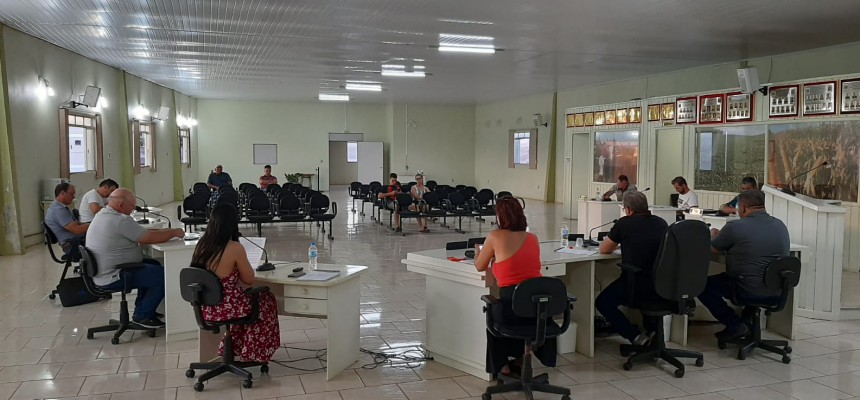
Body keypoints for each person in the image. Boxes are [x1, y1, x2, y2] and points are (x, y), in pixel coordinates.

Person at [474, 197, 557, 377]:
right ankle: (520, 358)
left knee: (495, 314)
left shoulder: (495, 236)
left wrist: (478, 254)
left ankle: (502, 365)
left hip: (512, 310)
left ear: (501, 217)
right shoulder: (532, 238)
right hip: (538, 310)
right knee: (520, 314)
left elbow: (480, 266)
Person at [191, 204, 280, 363]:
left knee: (245, 303)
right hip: (228, 309)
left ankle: (236, 348)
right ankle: (253, 351)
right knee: (265, 299)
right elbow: (249, 279)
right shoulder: (234, 247)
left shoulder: (201, 245)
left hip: (206, 308)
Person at [698, 190, 790, 341]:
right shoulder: (780, 225)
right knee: (752, 279)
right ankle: (746, 323)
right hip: (776, 290)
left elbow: (712, 250)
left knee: (701, 286)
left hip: (745, 287)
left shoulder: (735, 226)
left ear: (743, 208)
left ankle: (735, 324)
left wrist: (715, 236)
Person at [87, 188, 185, 328]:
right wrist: (174, 232)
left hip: (104, 272)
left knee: (154, 264)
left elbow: (140, 232)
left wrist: (165, 231)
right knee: (164, 276)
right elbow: (148, 238)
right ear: (121, 205)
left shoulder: (103, 214)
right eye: (132, 206)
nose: (133, 210)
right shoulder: (120, 220)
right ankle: (143, 316)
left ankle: (143, 309)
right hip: (115, 274)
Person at [595, 191, 669, 345]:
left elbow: (604, 249)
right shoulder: (661, 223)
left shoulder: (624, 224)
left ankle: (635, 336)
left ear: (628, 209)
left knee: (603, 302)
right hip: (661, 285)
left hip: (637, 284)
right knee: (648, 294)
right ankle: (652, 332)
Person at [44, 183, 89, 258]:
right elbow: (77, 230)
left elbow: (76, 223)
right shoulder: (58, 210)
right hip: (73, 246)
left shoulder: (61, 207)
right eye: (71, 194)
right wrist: (94, 225)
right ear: (62, 193)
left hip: (75, 242)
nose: (74, 196)